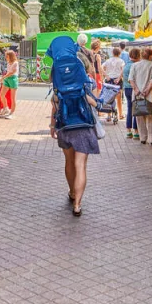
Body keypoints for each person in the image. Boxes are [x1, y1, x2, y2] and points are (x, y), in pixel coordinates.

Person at [50, 87, 100, 217]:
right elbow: (96, 104)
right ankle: (77, 205)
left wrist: (52, 126)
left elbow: (54, 108)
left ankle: (72, 192)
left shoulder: (58, 90)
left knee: (69, 162)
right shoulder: (84, 89)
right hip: (84, 129)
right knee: (80, 165)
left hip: (65, 127)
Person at [129, 47, 152, 145]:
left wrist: (137, 90)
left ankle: (143, 137)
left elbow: (131, 79)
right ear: (151, 55)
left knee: (140, 116)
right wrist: (147, 90)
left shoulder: (134, 65)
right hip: (150, 95)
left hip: (137, 95)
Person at [103, 47, 125, 120]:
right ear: (119, 53)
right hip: (117, 80)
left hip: (109, 80)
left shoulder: (108, 60)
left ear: (112, 53)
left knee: (108, 98)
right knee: (119, 98)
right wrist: (119, 78)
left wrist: (106, 76)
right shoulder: (121, 61)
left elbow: (102, 67)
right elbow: (123, 70)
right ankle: (120, 114)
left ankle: (108, 115)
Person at [124, 47, 139, 139]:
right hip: (133, 89)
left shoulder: (126, 65)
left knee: (129, 109)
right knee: (137, 110)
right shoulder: (135, 65)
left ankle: (128, 131)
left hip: (126, 89)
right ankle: (136, 131)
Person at [0, 50, 19, 119]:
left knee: (12, 97)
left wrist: (3, 77)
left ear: (10, 56)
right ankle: (6, 108)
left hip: (13, 79)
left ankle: (12, 113)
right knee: (2, 94)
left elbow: (12, 72)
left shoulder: (15, 63)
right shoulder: (8, 63)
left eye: (7, 56)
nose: (5, 57)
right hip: (7, 78)